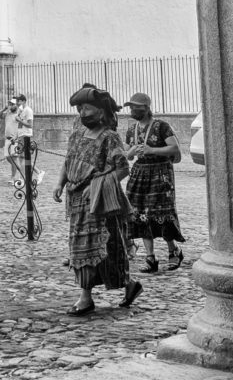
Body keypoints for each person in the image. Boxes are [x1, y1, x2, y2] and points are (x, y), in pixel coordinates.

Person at [53, 83, 142, 316]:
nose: (82, 113)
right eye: (80, 108)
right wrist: (60, 183)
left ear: (101, 112)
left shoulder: (110, 138)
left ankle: (90, 296)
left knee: (102, 248)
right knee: (81, 248)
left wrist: (97, 186)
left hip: (98, 203)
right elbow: (68, 160)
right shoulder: (77, 133)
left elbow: (122, 170)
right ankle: (112, 289)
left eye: (87, 109)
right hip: (75, 200)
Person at [123, 92, 186, 273]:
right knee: (139, 214)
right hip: (139, 174)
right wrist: (131, 152)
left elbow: (174, 148)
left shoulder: (161, 126)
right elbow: (127, 154)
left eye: (136, 107)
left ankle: (173, 250)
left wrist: (151, 149)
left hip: (160, 174)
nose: (132, 110)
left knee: (163, 213)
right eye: (131, 107)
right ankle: (150, 258)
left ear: (146, 108)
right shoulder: (131, 129)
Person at [0, 97, 20, 183]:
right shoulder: (7, 114)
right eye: (10, 104)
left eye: (12, 104)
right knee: (7, 157)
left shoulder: (17, 115)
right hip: (7, 139)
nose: (10, 105)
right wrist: (4, 108)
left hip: (14, 140)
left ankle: (13, 177)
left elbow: (21, 128)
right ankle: (21, 172)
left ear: (16, 106)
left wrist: (17, 137)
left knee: (13, 158)